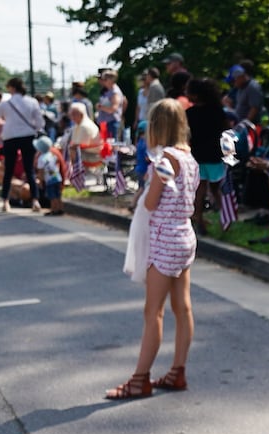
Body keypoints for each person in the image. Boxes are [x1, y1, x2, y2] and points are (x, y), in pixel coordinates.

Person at [105, 99, 199, 400]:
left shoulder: (165, 161)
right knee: (182, 307)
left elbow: (150, 202)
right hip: (184, 235)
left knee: (153, 312)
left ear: (157, 127)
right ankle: (177, 370)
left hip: (164, 238)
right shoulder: (189, 158)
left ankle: (139, 378)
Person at [0, 77, 45, 213]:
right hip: (28, 136)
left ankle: (5, 201)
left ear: (12, 88)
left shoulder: (5, 104)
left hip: (10, 137)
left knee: (8, 170)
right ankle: (35, 200)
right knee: (29, 169)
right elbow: (40, 123)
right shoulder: (32, 102)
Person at [184, 77, 229, 234]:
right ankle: (226, 219)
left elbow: (186, 136)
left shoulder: (189, 113)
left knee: (199, 189)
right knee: (217, 189)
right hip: (215, 154)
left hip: (197, 155)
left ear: (195, 95)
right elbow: (226, 131)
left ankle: (199, 219)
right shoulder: (218, 111)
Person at [34, 136, 67, 215]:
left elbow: (41, 172)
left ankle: (54, 209)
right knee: (58, 195)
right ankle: (60, 209)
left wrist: (41, 181)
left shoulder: (41, 159)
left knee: (52, 196)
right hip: (57, 177)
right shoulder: (53, 155)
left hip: (49, 180)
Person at [228, 60, 265, 125]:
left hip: (250, 127)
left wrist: (245, 125)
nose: (235, 79)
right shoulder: (241, 88)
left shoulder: (253, 87)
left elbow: (254, 108)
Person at [96, 69, 128, 141]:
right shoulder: (107, 90)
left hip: (112, 123)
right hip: (106, 123)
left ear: (111, 80)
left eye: (105, 79)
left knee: (113, 145)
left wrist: (101, 107)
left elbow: (113, 109)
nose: (103, 81)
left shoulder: (115, 92)